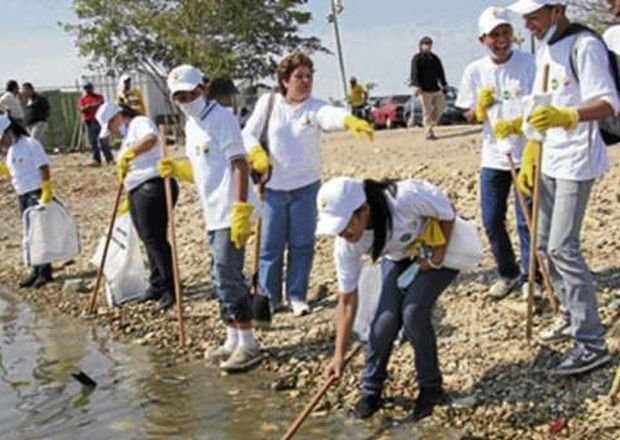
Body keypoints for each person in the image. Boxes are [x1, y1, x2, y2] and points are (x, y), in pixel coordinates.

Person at [508, 0, 620, 375]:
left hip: (577, 160)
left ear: (556, 10)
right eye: (524, 17)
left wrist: (569, 115)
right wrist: (532, 146)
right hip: (550, 157)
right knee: (542, 245)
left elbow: (608, 102)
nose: (527, 24)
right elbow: (543, 100)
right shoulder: (545, 47)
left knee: (562, 247)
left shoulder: (584, 45)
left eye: (533, 16)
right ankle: (571, 317)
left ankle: (591, 342)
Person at [242, 52, 374, 317]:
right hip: (273, 187)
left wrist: (349, 121)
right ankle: (269, 297)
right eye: (298, 76)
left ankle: (296, 295)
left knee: (302, 243)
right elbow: (248, 134)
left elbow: (329, 116)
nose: (304, 81)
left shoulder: (314, 107)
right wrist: (256, 153)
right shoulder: (268, 103)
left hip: (307, 187)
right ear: (284, 80)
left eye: (309, 76)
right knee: (271, 245)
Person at [318, 177, 458, 421]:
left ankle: (431, 388)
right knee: (384, 323)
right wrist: (338, 355)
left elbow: (447, 212)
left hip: (440, 248)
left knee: (413, 312)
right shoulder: (346, 244)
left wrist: (438, 253)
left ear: (363, 210)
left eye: (345, 225)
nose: (342, 233)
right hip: (400, 258)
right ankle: (371, 391)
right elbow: (347, 300)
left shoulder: (405, 199)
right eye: (336, 228)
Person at [161, 64, 262, 372]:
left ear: (203, 89)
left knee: (228, 275)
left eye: (191, 93)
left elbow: (239, 164)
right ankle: (231, 337)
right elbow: (206, 170)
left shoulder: (222, 119)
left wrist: (241, 209)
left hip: (231, 210)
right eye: (179, 96)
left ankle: (249, 342)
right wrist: (178, 170)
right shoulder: (191, 124)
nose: (186, 99)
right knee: (218, 276)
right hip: (211, 212)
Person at [455, 6, 537, 300]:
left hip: (526, 153)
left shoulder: (530, 62)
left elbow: (541, 100)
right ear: (482, 39)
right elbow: (467, 113)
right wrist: (479, 108)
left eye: (505, 32)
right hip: (494, 156)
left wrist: (522, 122)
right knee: (491, 219)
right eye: (494, 35)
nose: (501, 39)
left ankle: (532, 276)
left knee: (526, 218)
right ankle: (508, 272)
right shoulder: (475, 71)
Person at [95, 102, 178, 312]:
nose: (113, 132)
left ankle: (171, 287)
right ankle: (157, 283)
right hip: (138, 189)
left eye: (111, 126)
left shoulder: (139, 123)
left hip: (153, 185)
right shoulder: (127, 135)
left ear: (118, 117)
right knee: (147, 239)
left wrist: (129, 153)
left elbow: (151, 139)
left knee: (155, 239)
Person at [0, 114, 53, 288]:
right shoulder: (12, 150)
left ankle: (45, 272)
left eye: (2, 138)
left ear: (9, 131)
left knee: (40, 233)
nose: (2, 143)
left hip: (35, 193)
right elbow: (13, 172)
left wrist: (46, 189)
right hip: (22, 194)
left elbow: (43, 166)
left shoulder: (30, 144)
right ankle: (36, 270)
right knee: (30, 234)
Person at [409, 36, 448, 140]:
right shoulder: (417, 58)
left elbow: (441, 72)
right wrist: (415, 85)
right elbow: (414, 73)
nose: (428, 46)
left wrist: (444, 84)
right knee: (427, 111)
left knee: (442, 106)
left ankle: (431, 123)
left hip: (435, 88)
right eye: (425, 44)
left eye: (429, 44)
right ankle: (428, 132)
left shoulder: (435, 58)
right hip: (424, 89)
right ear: (421, 45)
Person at [78, 81, 113, 166]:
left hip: (100, 121)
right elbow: (82, 109)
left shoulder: (98, 97)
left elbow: (101, 104)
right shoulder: (83, 99)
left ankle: (109, 159)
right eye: (86, 88)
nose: (88, 90)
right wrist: (87, 108)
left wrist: (90, 107)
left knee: (103, 140)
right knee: (93, 141)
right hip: (90, 121)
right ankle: (96, 160)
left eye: (89, 88)